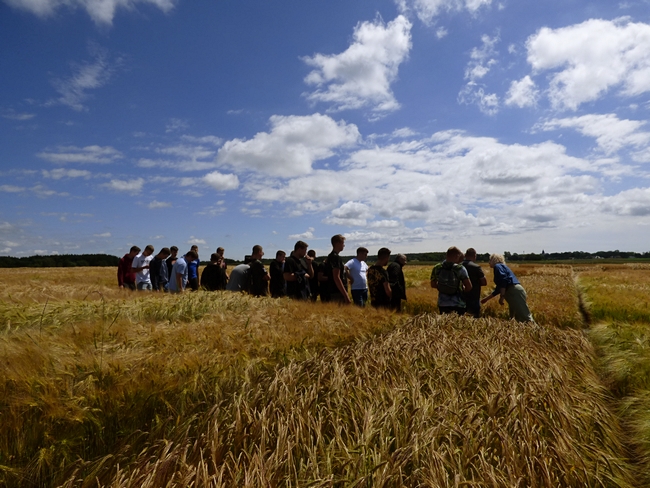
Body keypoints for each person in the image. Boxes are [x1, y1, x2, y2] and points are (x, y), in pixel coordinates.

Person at [481, 253, 534, 322]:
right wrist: (486, 299)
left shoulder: (497, 266)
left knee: (525, 317)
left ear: (494, 260)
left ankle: (537, 330)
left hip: (513, 292)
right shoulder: (503, 267)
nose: (489, 262)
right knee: (515, 318)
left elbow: (503, 280)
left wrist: (502, 296)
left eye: (490, 260)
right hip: (515, 291)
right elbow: (498, 289)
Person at [430, 246, 472, 315]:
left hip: (443, 303)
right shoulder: (460, 268)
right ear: (457, 256)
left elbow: (433, 284)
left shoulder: (437, 267)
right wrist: (461, 289)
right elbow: (469, 286)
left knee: (445, 324)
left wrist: (443, 287)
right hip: (458, 303)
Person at [321, 234, 351, 304]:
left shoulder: (330, 256)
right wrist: (346, 295)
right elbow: (336, 277)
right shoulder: (336, 258)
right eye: (343, 243)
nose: (344, 245)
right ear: (338, 243)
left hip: (333, 290)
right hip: (337, 292)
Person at [462, 248, 488, 318]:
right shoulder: (476, 267)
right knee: (474, 318)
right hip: (474, 296)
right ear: (474, 256)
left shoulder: (459, 266)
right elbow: (484, 282)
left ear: (465, 255)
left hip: (461, 297)